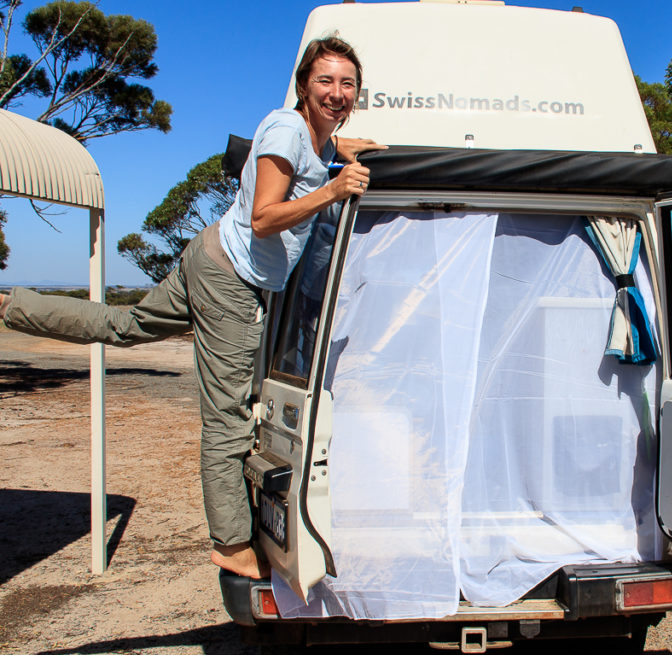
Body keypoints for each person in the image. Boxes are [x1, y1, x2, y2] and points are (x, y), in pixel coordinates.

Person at [0, 35, 385, 579]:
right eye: (325, 81)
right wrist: (334, 189)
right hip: (232, 278)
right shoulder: (285, 131)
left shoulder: (317, 140)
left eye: (347, 84)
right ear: (303, 85)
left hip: (210, 255)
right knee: (227, 417)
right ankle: (229, 542)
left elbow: (321, 159)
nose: (336, 93)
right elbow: (263, 217)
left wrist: (341, 154)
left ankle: (13, 306)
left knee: (125, 322)